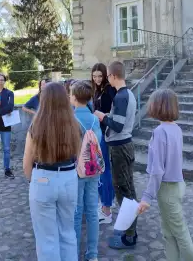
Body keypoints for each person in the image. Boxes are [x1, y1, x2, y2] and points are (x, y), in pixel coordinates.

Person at [138, 89, 193, 261]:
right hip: (177, 185)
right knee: (169, 232)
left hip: (167, 189)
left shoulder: (160, 131)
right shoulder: (176, 129)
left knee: (180, 233)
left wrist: (147, 197)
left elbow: (157, 170)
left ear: (158, 106)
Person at [23, 82, 80, 261]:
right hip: (69, 177)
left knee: (46, 238)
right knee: (68, 233)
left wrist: (34, 180)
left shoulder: (36, 126)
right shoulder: (74, 125)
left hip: (43, 178)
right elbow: (78, 156)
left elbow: (27, 163)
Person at [94, 61, 138, 250]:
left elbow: (118, 125)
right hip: (122, 146)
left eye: (108, 77)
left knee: (124, 191)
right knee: (126, 189)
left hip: (120, 147)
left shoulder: (120, 96)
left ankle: (129, 236)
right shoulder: (126, 94)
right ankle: (129, 229)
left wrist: (102, 116)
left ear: (112, 76)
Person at [70, 80, 102, 261]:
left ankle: (73, 253)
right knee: (91, 212)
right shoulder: (94, 119)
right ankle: (93, 253)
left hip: (76, 171)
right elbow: (99, 143)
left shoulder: (71, 119)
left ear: (74, 97)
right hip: (93, 169)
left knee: (76, 213)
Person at [91, 63, 116, 224]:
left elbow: (114, 113)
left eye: (100, 76)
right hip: (97, 132)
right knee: (102, 169)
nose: (98, 79)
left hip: (105, 134)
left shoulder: (109, 90)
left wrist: (101, 114)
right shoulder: (96, 90)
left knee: (103, 170)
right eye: (95, 76)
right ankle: (107, 203)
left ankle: (107, 209)